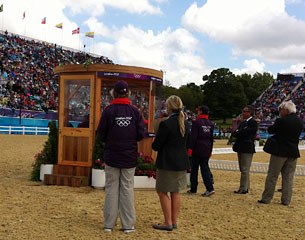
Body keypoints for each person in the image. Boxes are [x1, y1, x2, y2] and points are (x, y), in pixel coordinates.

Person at [96, 80, 145, 233]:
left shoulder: (108, 111)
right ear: (128, 93)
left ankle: (109, 224)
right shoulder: (135, 111)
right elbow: (140, 134)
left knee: (111, 189)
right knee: (127, 189)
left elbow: (101, 134)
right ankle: (128, 225)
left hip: (112, 155)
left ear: (113, 94)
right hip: (129, 156)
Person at [152, 95, 190, 231]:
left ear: (168, 107)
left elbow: (156, 146)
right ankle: (174, 221)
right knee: (175, 191)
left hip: (167, 162)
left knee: (162, 191)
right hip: (181, 161)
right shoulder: (186, 123)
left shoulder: (166, 124)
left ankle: (167, 222)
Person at [258, 100, 304, 206]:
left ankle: (266, 198)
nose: (280, 111)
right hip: (293, 151)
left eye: (281, 109)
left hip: (279, 151)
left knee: (272, 176)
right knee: (288, 177)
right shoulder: (300, 121)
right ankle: (286, 200)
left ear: (286, 110)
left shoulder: (281, 120)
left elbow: (270, 130)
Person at [187, 105, 215, 196]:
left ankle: (193, 189)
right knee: (205, 168)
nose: (197, 112)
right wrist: (210, 150)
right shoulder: (210, 123)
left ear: (201, 111)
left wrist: (190, 149)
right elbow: (211, 138)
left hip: (197, 148)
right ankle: (210, 188)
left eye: (198, 111)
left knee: (194, 169)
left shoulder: (196, 122)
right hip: (207, 148)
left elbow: (193, 137)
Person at [232, 105, 258, 194]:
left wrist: (239, 132)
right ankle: (245, 186)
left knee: (245, 169)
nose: (243, 113)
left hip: (247, 148)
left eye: (245, 111)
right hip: (241, 147)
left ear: (249, 112)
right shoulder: (243, 123)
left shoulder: (253, 122)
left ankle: (243, 188)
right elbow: (235, 133)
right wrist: (240, 132)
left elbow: (246, 132)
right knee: (242, 169)